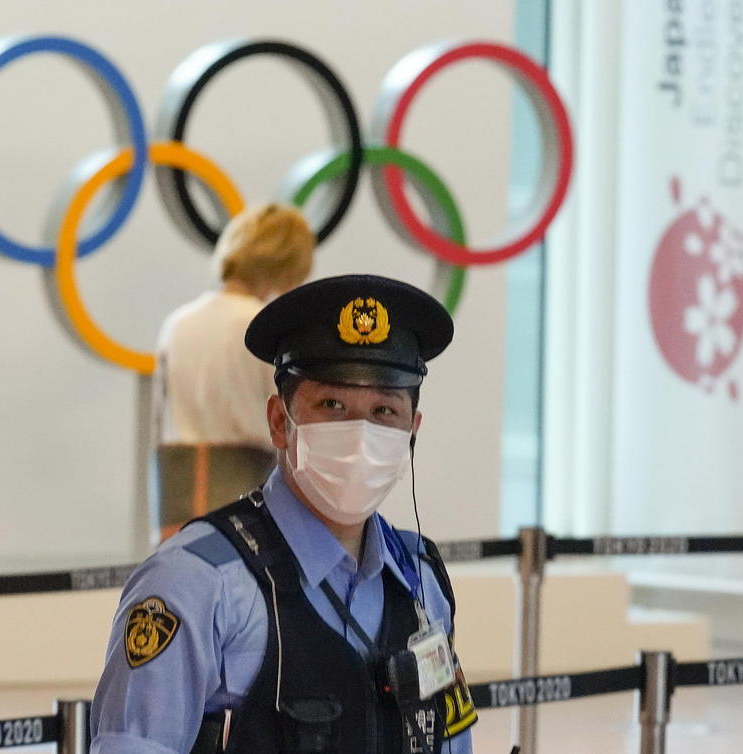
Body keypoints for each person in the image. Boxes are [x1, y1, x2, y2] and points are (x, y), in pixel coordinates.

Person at [93, 274, 477, 753]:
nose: (360, 434)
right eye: (332, 404)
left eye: (384, 411)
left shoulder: (420, 579)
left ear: (412, 430)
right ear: (280, 421)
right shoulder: (196, 583)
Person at [151, 203, 315, 538]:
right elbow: (287, 418)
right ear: (286, 264)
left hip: (179, 497)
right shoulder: (262, 327)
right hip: (247, 492)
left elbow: (159, 419)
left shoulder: (177, 324)